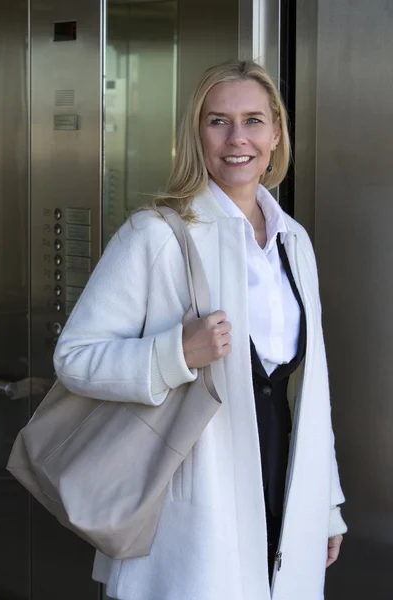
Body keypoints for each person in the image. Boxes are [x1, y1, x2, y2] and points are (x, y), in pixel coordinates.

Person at [53, 60, 347, 600]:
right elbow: (75, 357)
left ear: (277, 133)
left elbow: (313, 388)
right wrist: (177, 353)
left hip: (286, 495)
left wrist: (324, 502)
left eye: (254, 120)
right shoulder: (156, 234)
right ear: (196, 133)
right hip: (193, 513)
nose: (238, 139)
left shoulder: (293, 242)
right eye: (218, 121)